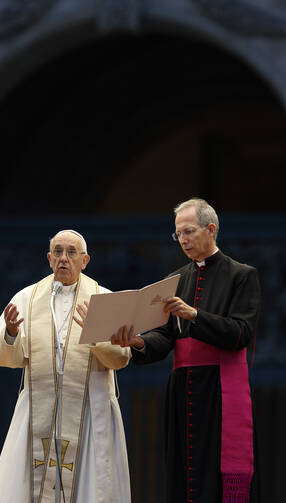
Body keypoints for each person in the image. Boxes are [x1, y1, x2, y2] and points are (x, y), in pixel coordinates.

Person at [111, 198, 261, 503]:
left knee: (215, 475)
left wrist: (194, 315)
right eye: (178, 234)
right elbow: (165, 339)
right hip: (182, 392)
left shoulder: (241, 275)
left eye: (189, 231)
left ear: (211, 229)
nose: (183, 239)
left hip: (219, 391)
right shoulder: (174, 280)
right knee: (183, 472)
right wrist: (137, 342)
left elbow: (241, 333)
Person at [0, 229, 131, 503]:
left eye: (71, 252)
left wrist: (96, 336)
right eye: (58, 252)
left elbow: (121, 359)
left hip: (90, 412)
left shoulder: (105, 299)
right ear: (49, 258)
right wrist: (12, 335)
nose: (64, 258)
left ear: (85, 260)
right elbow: (6, 359)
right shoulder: (26, 299)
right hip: (38, 413)